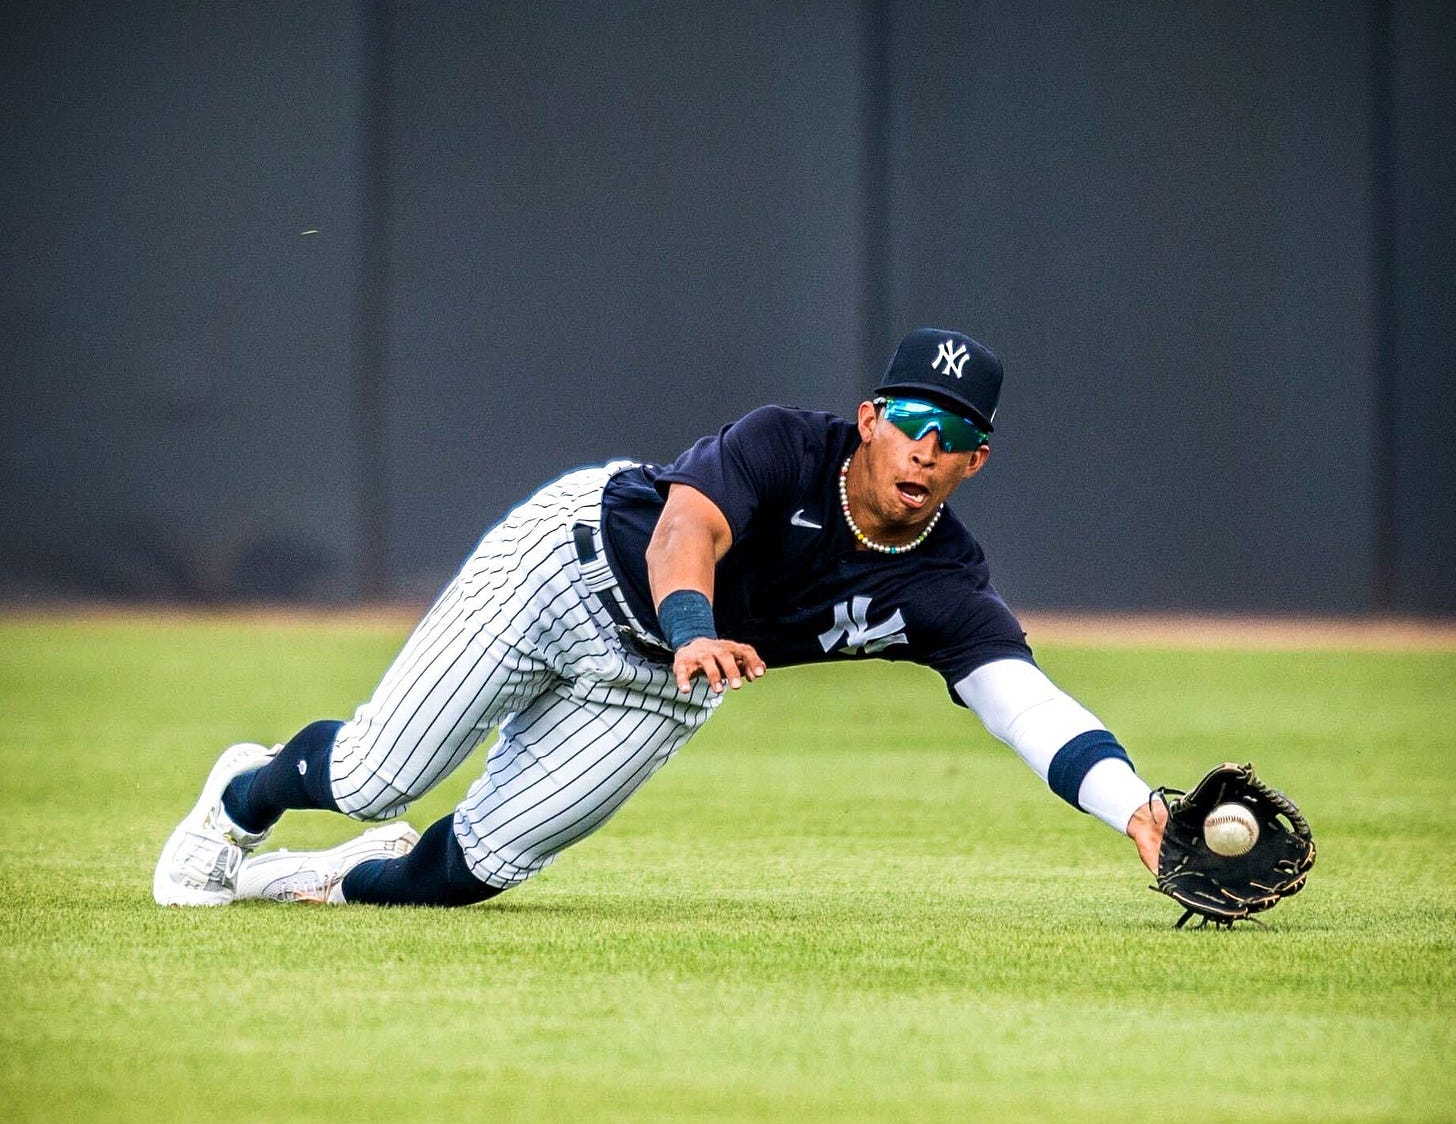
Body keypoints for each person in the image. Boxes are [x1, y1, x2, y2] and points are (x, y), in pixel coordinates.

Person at [153, 327, 1168, 908]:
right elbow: (684, 533)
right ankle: (239, 800)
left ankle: (321, 881)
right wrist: (692, 629)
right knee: (379, 774)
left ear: (974, 460)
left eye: (952, 436)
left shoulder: (943, 580)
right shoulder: (783, 445)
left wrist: (1131, 806)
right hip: (567, 571)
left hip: (659, 685)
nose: (923, 449)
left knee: (471, 872)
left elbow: (1023, 702)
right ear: (870, 418)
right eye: (909, 421)